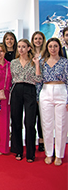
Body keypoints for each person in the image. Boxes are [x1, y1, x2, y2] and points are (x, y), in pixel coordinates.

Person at [38, 38, 68, 166]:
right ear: (47, 48)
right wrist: (37, 97)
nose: (53, 49)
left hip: (61, 91)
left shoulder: (65, 62)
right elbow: (38, 80)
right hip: (46, 91)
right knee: (47, 124)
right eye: (50, 46)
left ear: (59, 48)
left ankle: (59, 154)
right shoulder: (42, 62)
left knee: (61, 125)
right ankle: (49, 153)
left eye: (55, 46)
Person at [10, 39, 41, 162]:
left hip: (30, 89)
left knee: (29, 122)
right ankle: (18, 150)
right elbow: (12, 78)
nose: (21, 49)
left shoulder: (34, 62)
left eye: (23, 47)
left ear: (29, 48)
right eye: (19, 47)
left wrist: (37, 64)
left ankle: (30, 153)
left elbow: (38, 79)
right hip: (17, 89)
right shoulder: (13, 62)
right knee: (16, 121)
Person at [31, 31, 47, 152]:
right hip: (32, 87)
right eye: (36, 38)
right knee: (32, 115)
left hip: (44, 88)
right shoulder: (29, 53)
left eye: (40, 39)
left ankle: (42, 140)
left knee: (42, 117)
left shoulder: (46, 54)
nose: (38, 41)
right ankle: (32, 139)